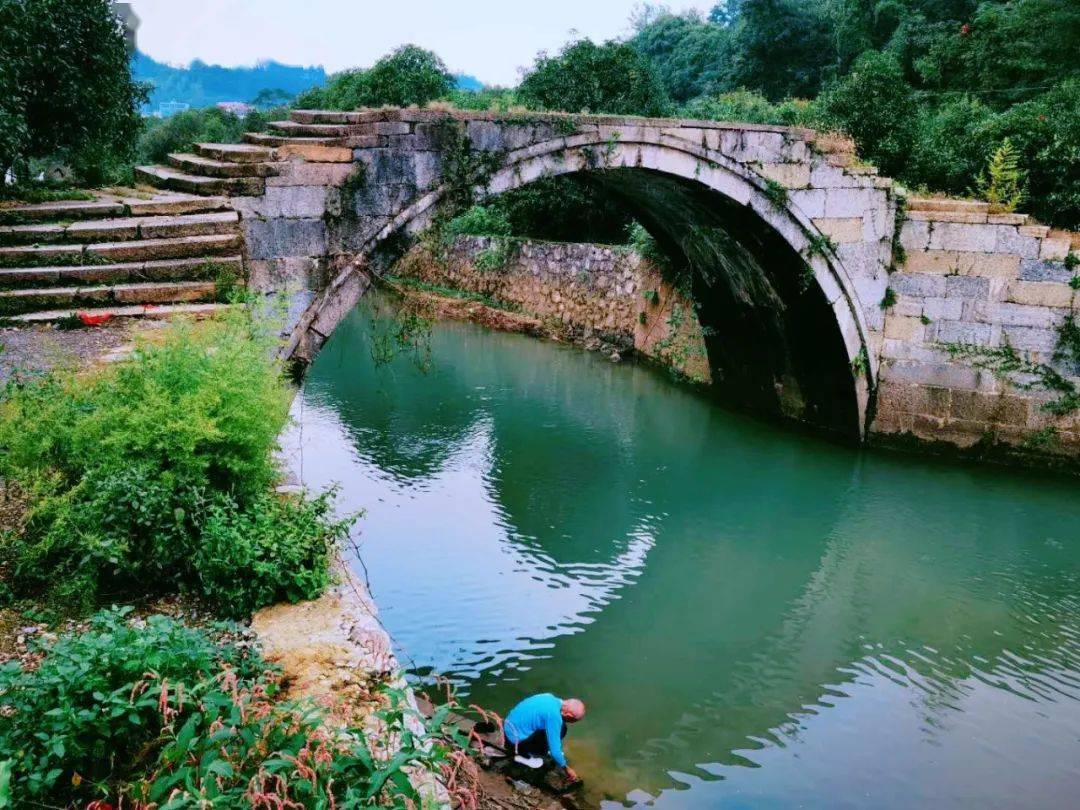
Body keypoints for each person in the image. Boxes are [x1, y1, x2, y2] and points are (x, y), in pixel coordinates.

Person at [503, 693, 586, 781]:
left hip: (508, 725)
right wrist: (566, 768)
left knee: (556, 727)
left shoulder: (548, 696)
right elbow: (555, 752)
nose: (571, 723)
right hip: (514, 740)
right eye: (572, 721)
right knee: (562, 729)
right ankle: (530, 755)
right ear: (568, 715)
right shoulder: (554, 716)